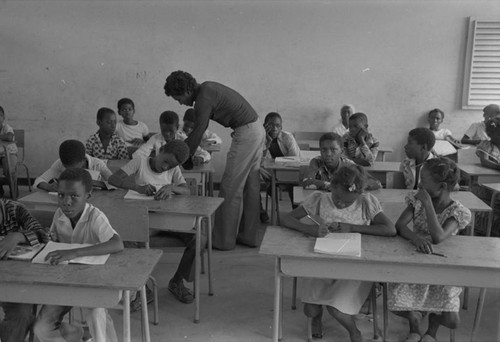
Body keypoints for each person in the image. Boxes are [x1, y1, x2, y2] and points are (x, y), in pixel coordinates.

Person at [282, 164, 396, 342]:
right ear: (331, 186)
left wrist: (352, 227)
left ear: (359, 194)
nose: (342, 203)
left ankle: (353, 331)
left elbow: (390, 229)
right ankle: (317, 318)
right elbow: (286, 218)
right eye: (338, 198)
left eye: (348, 202)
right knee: (310, 310)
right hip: (323, 261)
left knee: (336, 309)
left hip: (354, 266)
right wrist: (309, 229)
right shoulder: (319, 199)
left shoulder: (366, 202)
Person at [164, 70, 265, 250]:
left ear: (186, 91)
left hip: (247, 133)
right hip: (256, 128)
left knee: (229, 187)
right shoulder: (207, 88)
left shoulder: (202, 99)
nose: (180, 102)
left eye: (178, 98)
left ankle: (223, 241)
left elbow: (199, 130)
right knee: (251, 186)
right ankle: (249, 237)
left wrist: (182, 156)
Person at [34, 168, 124, 342]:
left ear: (88, 196)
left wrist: (73, 252)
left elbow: (117, 243)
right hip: (65, 282)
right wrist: (49, 238)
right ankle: (76, 335)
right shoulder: (59, 214)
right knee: (41, 328)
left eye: (74, 196)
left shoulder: (95, 216)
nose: (66, 202)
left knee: (97, 315)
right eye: (61, 195)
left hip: (94, 282)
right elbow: (54, 239)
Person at [388, 157, 471, 342]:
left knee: (452, 321)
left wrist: (427, 204)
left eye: (424, 182)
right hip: (416, 260)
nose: (419, 185)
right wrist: (415, 238)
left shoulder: (458, 212)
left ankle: (433, 325)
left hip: (444, 267)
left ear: (441, 186)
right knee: (395, 304)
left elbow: (438, 237)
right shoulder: (415, 201)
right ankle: (415, 326)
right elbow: (400, 225)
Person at [109, 140, 201, 304]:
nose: (165, 168)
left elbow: (186, 190)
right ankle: (143, 288)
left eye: (170, 166)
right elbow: (113, 179)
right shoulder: (141, 161)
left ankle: (177, 281)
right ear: (161, 150)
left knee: (199, 239)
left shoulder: (174, 169)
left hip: (169, 221)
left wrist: (171, 187)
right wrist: (137, 188)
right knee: (128, 240)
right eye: (165, 161)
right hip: (145, 221)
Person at [0, 199, 48, 342]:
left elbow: (43, 235)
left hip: (16, 281)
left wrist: (17, 236)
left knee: (21, 314)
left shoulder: (15, 210)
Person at [260, 112, 300, 219]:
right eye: (271, 125)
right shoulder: (260, 139)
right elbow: (259, 160)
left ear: (281, 127)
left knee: (293, 184)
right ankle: (262, 211)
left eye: (278, 125)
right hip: (269, 174)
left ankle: (296, 214)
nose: (274, 128)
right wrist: (267, 143)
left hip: (288, 172)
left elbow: (294, 159)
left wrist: (278, 163)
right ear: (264, 126)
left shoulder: (288, 137)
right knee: (252, 179)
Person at [133, 110, 210, 165]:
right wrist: (150, 160)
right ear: (160, 127)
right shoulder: (155, 138)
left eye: (171, 131)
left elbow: (206, 154)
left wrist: (201, 158)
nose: (167, 134)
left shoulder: (183, 139)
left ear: (177, 128)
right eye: (164, 130)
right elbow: (138, 154)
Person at [34, 140, 112, 192]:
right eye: (67, 169)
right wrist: (49, 187)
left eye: (75, 168)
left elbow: (115, 184)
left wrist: (95, 183)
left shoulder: (98, 164)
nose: (72, 172)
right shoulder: (59, 163)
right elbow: (39, 180)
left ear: (83, 160)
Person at [0, 106, 18, 196]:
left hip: (9, 154)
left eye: (0, 115)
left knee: (9, 169)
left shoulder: (7, 127)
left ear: (3, 118)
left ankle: (14, 191)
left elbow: (9, 137)